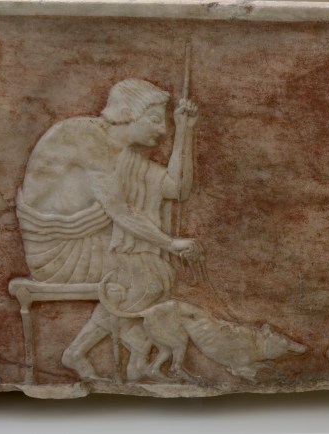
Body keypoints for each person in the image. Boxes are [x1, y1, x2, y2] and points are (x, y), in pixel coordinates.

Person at [17, 79, 200, 382]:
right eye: (155, 119)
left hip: (89, 241)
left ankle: (127, 355)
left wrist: (185, 131)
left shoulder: (120, 152)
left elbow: (176, 188)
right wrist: (170, 244)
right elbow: (121, 212)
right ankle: (92, 353)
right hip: (60, 252)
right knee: (146, 274)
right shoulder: (85, 138)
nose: (162, 131)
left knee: (150, 271)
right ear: (127, 113)